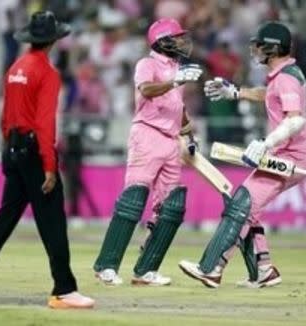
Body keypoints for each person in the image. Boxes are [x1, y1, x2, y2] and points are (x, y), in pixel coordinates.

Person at [0, 11, 95, 309]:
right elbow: (44, 123)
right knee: (53, 221)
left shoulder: (16, 67)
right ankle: (64, 290)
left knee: (4, 219)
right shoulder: (47, 72)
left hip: (13, 149)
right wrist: (50, 166)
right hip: (33, 153)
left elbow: (6, 117)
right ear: (53, 40)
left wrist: (9, 150)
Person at [179, 21, 306, 288]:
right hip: (287, 154)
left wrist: (266, 142)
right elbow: (270, 95)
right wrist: (237, 92)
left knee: (241, 204)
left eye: (261, 45)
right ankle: (264, 270)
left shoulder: (286, 76)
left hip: (289, 156)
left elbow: (295, 120)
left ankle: (212, 268)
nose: (256, 50)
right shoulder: (285, 75)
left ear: (274, 48)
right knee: (247, 209)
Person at [93, 18, 202, 286]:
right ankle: (106, 265)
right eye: (176, 37)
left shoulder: (176, 67)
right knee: (134, 198)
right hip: (147, 134)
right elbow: (146, 90)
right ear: (162, 40)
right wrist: (176, 81)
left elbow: (178, 107)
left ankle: (146, 270)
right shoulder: (147, 64)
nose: (180, 42)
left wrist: (189, 134)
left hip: (171, 140)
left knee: (171, 207)